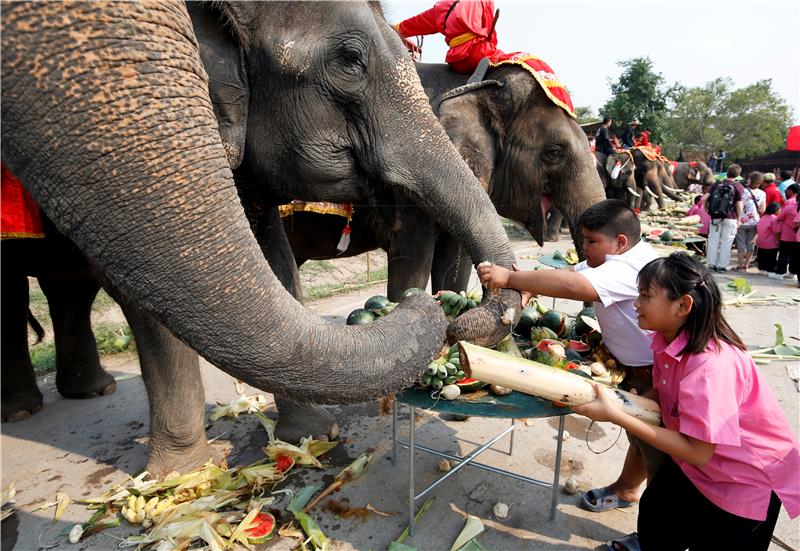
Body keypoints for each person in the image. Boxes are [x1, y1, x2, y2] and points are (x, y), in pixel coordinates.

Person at [573, 252, 800, 551]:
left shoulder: (710, 368)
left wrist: (617, 414)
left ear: (683, 305)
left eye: (645, 295)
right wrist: (640, 400)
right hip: (697, 467)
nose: (636, 304)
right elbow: (665, 391)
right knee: (656, 515)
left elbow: (698, 452)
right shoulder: (664, 339)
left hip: (741, 480)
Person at [478, 199, 659, 514]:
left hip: (653, 372)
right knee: (640, 438)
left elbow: (576, 285)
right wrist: (529, 288)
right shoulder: (618, 256)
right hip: (632, 364)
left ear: (620, 242)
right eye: (584, 239)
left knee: (656, 448)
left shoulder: (627, 267)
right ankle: (627, 490)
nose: (584, 247)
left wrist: (509, 279)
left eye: (591, 241)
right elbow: (575, 272)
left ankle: (656, 526)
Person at [393, 0, 500, 75]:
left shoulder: (440, 7)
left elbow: (408, 26)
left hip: (456, 60)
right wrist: (492, 48)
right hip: (478, 53)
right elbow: (491, 32)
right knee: (512, 58)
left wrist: (394, 30)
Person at [704, 165, 743, 272]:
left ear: (727, 173)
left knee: (713, 241)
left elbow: (705, 197)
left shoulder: (717, 184)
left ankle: (711, 264)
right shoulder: (738, 186)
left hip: (715, 217)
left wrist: (706, 210)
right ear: (738, 175)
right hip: (731, 217)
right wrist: (739, 219)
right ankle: (722, 266)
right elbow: (739, 205)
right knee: (727, 242)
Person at [734, 171, 766, 271]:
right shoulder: (762, 193)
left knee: (741, 244)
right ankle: (746, 265)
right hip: (755, 222)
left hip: (741, 222)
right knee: (751, 244)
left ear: (750, 180)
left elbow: (737, 205)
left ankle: (740, 266)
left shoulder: (742, 191)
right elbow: (762, 210)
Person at [771, 183, 799, 280]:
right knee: (795, 256)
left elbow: (779, 218)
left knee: (784, 254)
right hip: (798, 237)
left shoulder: (789, 206)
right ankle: (793, 272)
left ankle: (780, 272)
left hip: (787, 235)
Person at [756, 202, 781, 275]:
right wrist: (778, 242)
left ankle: (762, 269)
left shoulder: (763, 217)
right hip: (770, 243)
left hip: (760, 242)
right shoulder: (774, 219)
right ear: (776, 210)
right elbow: (777, 232)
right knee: (771, 258)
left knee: (762, 256)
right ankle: (769, 270)